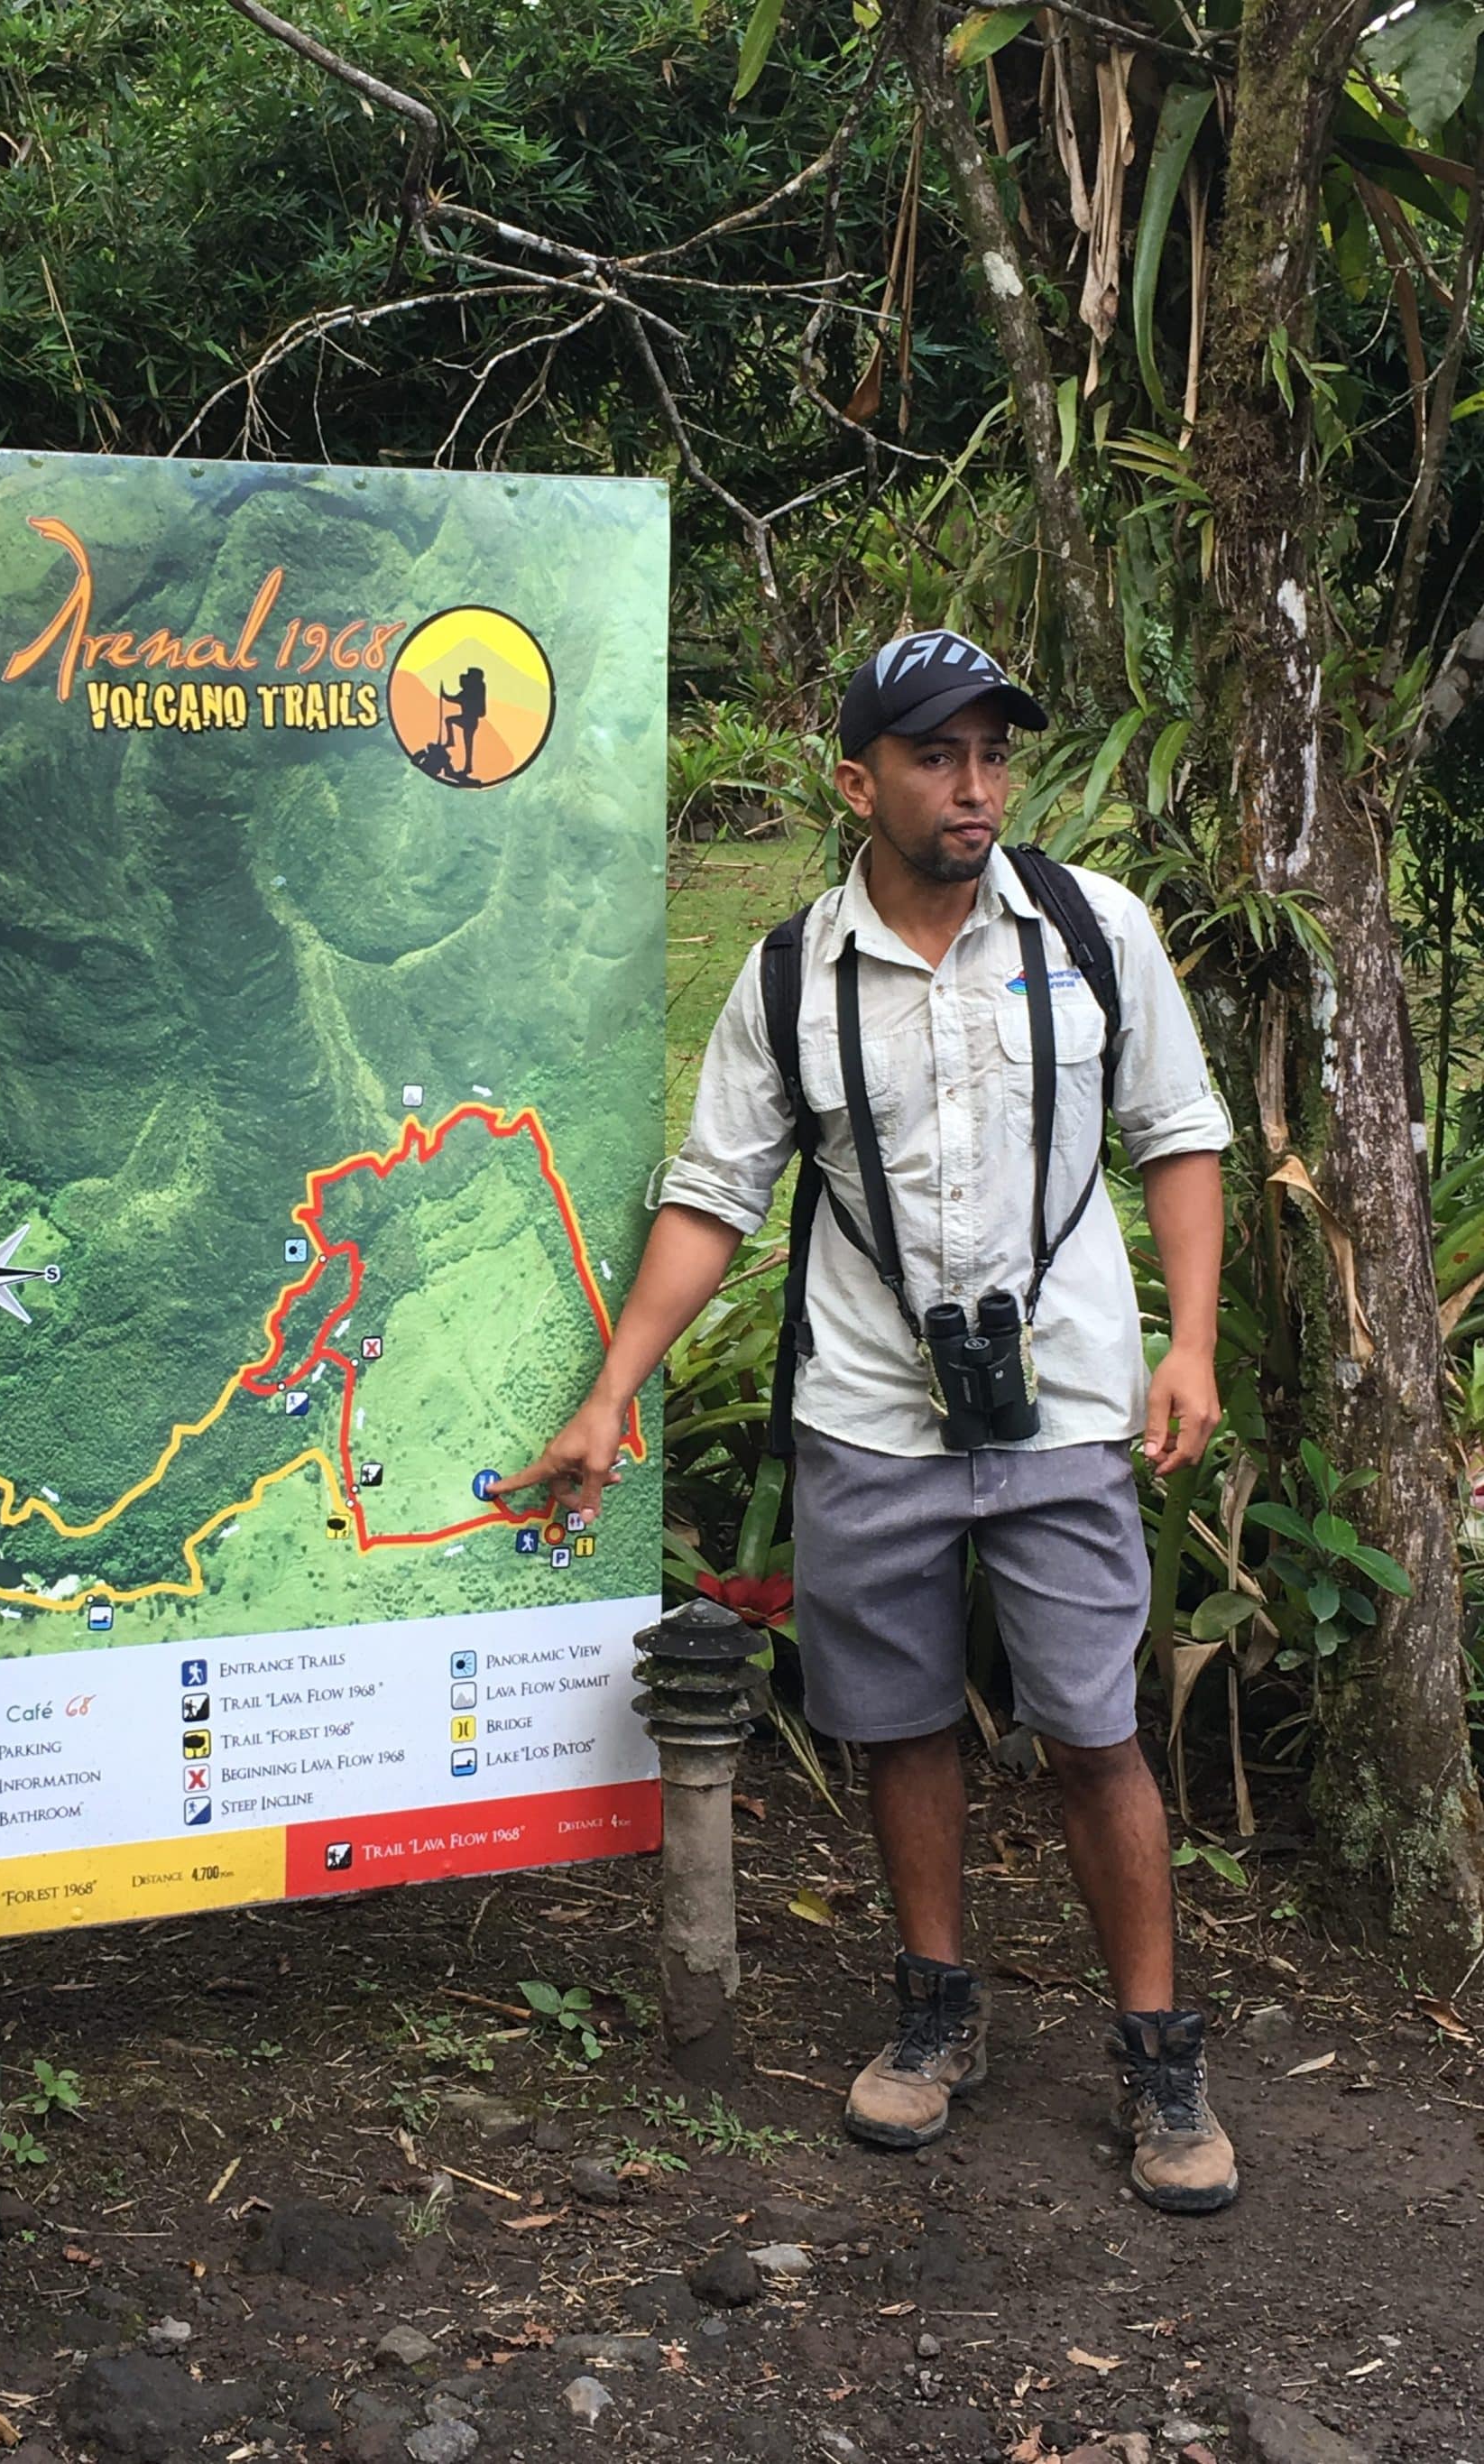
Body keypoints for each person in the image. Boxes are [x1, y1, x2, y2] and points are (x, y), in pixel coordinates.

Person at [491, 627, 1239, 2215]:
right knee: (896, 1722)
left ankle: (1161, 2057)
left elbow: (1179, 1133)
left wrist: (1193, 1349)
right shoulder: (790, 978)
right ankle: (936, 2009)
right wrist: (612, 1391)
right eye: (935, 756)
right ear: (857, 780)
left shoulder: (1094, 933)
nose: (975, 789)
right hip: (870, 1416)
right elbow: (714, 1195)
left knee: (1098, 1728)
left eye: (992, 754)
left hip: (1066, 1406)